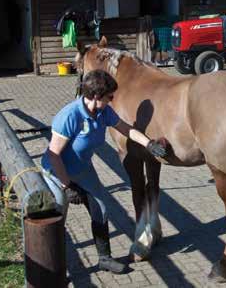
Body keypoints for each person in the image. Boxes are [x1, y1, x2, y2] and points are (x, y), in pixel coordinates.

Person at [41, 69, 166, 274]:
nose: (112, 99)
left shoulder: (102, 112)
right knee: (56, 218)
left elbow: (126, 129)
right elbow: (54, 155)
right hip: (57, 172)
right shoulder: (70, 116)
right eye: (110, 96)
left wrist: (149, 144)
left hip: (83, 169)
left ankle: (104, 258)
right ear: (97, 96)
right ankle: (52, 268)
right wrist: (67, 186)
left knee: (100, 208)